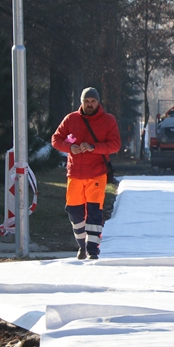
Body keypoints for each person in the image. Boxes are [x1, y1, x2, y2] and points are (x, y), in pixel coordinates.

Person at [50, 87, 121, 260]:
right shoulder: (71, 119)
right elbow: (55, 139)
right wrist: (69, 148)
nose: (90, 105)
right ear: (81, 102)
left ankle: (93, 249)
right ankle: (82, 245)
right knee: (74, 211)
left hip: (97, 174)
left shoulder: (108, 120)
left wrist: (93, 148)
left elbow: (115, 145)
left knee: (94, 211)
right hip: (74, 174)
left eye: (93, 101)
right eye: (86, 101)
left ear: (98, 102)